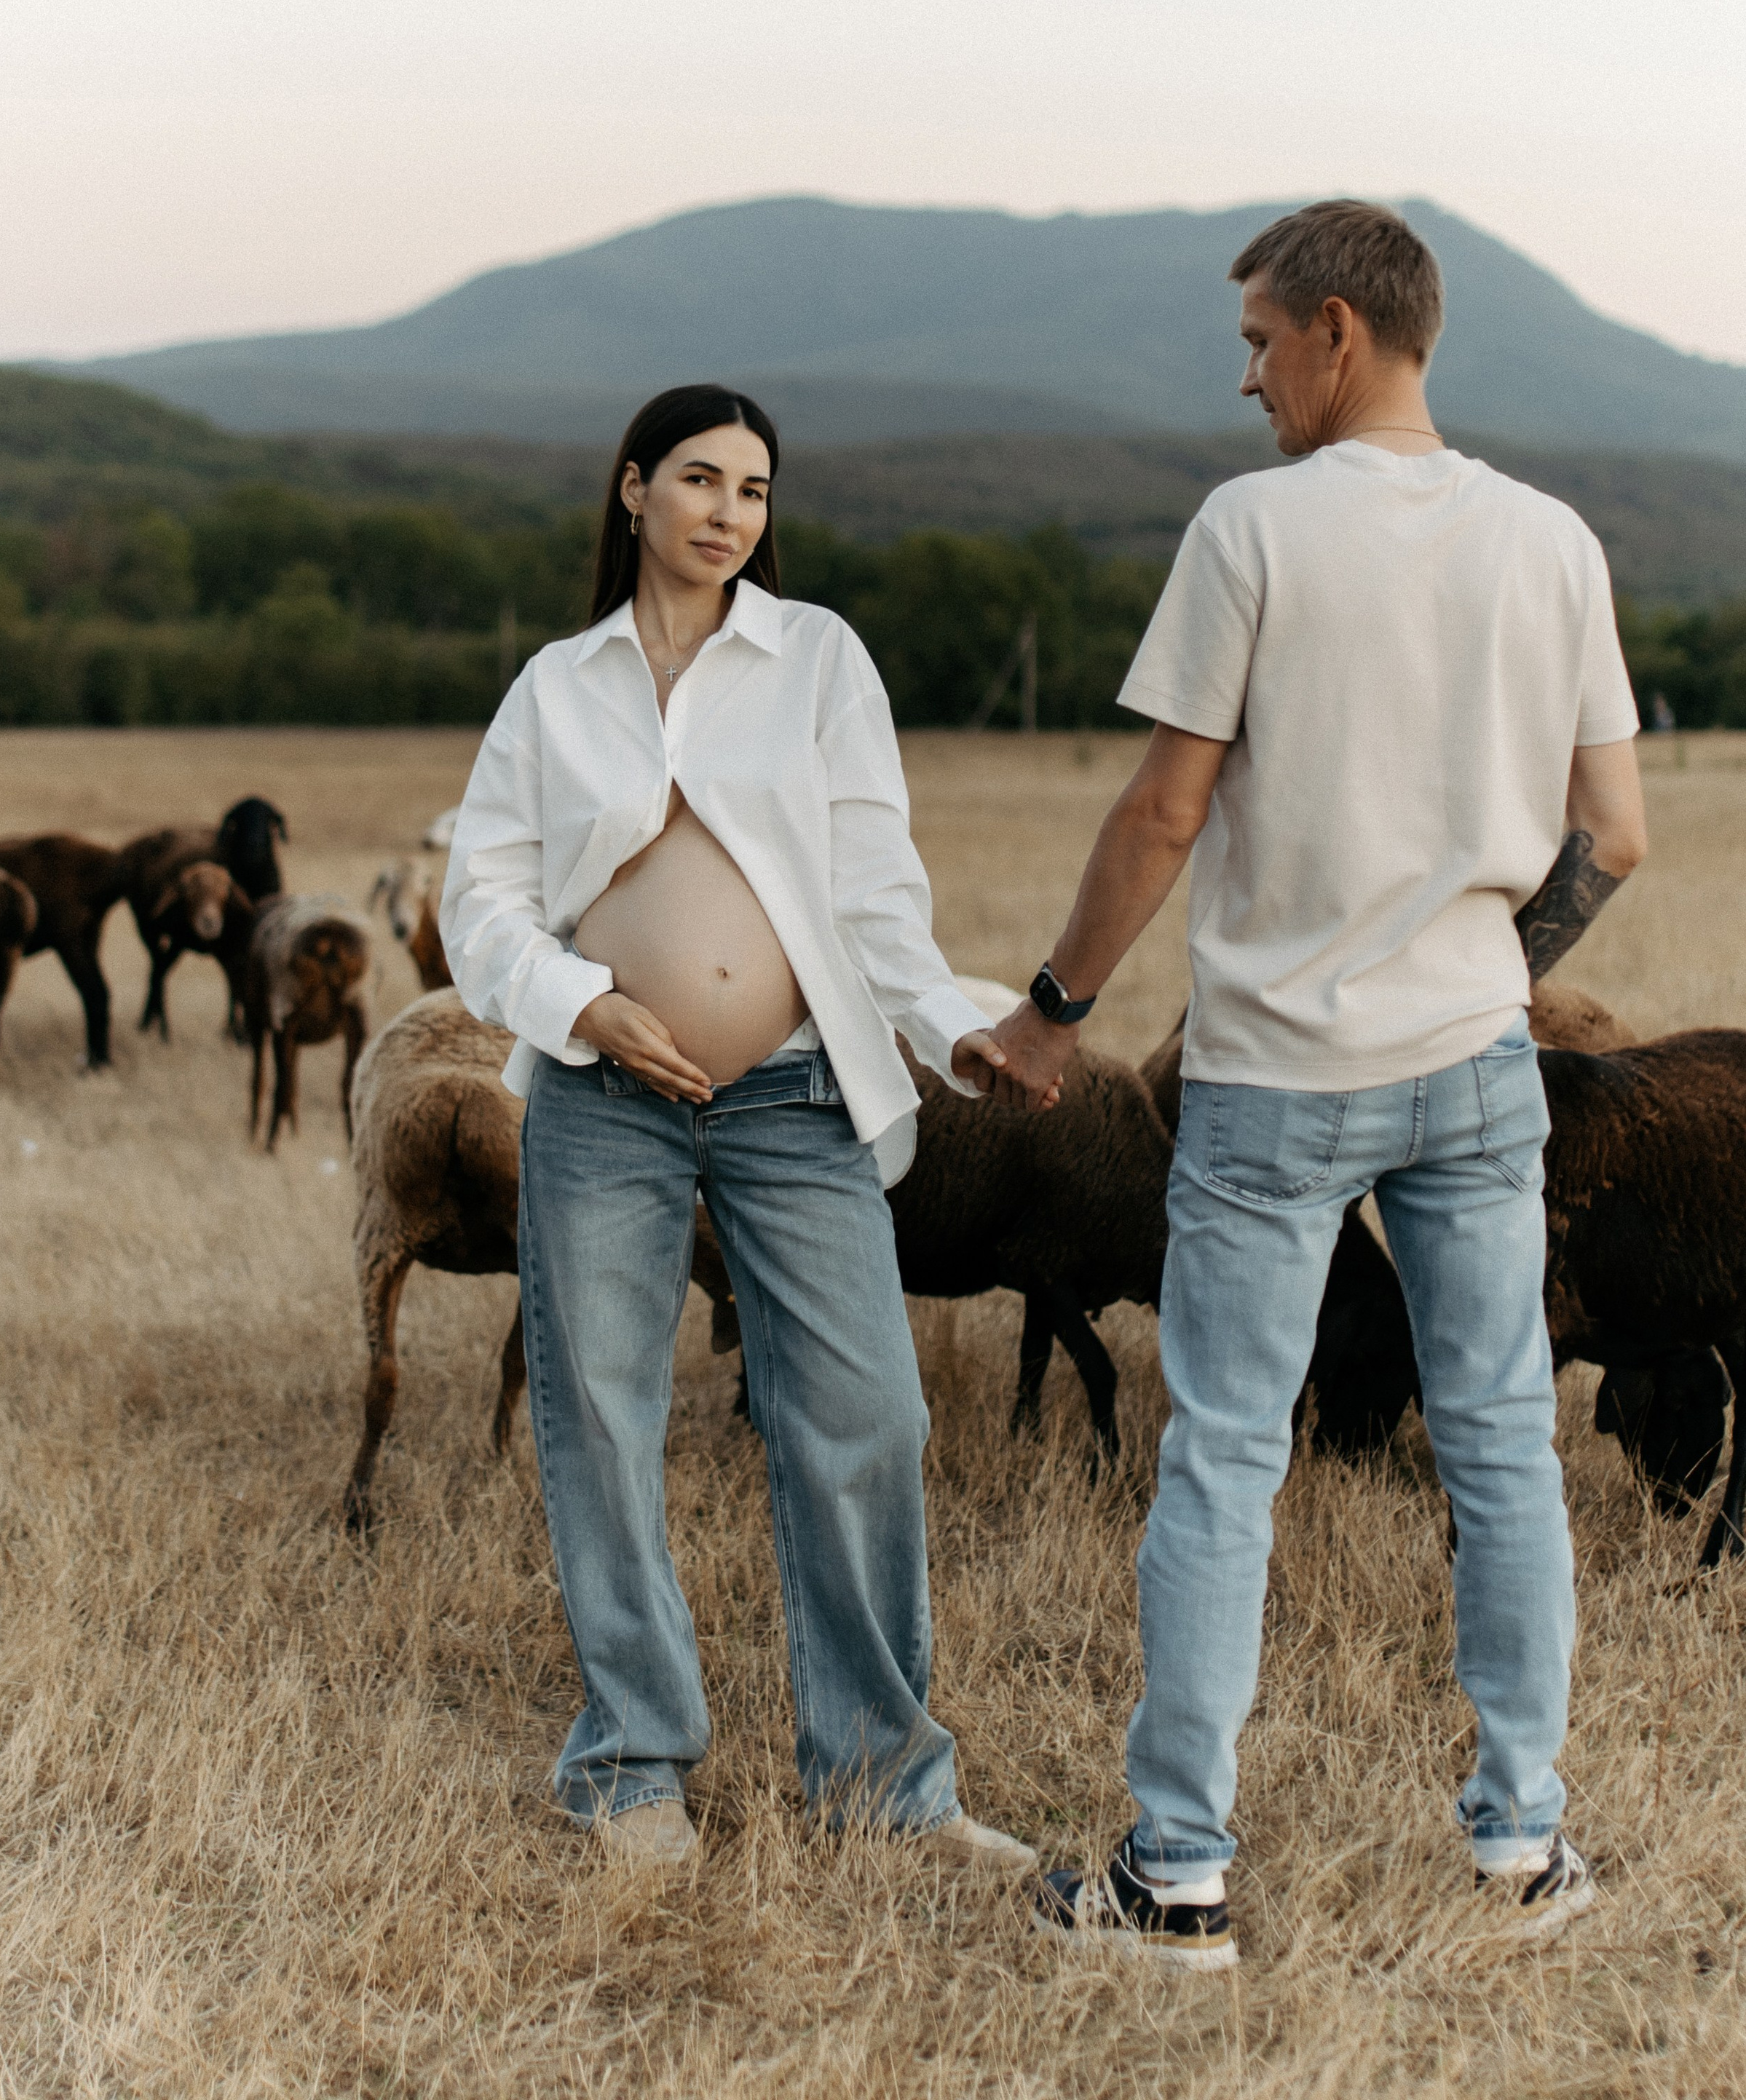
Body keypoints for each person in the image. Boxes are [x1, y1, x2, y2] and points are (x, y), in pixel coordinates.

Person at [985, 202, 1646, 1968]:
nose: (1248, 378)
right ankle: (1521, 1855)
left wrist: (1051, 1012)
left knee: (1218, 1463)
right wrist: (1491, 975)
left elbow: (1161, 809)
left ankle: (1175, 1877)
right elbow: (1617, 836)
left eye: (1260, 343)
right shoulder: (1553, 540)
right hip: (1473, 1070)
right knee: (1503, 1448)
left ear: (1338, 332)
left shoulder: (1251, 530)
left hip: (1276, 1082)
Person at [441, 380, 1036, 1871]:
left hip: (794, 1096)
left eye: (754, 491)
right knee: (601, 1417)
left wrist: (949, 1015)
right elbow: (483, 900)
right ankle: (632, 1766)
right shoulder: (556, 685)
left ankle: (884, 1788)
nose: (726, 513)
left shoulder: (815, 656)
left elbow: (872, 879)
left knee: (867, 1416)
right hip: (601, 1099)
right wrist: (580, 1004)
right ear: (631, 490)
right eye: (699, 480)